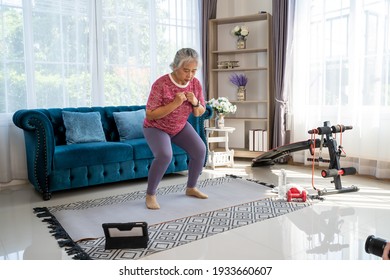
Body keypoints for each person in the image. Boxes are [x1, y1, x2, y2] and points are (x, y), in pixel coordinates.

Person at [143, 48, 208, 210]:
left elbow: (200, 112)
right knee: (165, 155)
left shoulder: (195, 84)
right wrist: (174, 104)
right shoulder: (161, 84)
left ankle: (191, 188)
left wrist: (195, 103)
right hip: (156, 127)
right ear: (175, 67)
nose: (190, 75)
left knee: (200, 150)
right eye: (186, 70)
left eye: (194, 71)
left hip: (179, 126)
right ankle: (150, 194)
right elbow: (150, 115)